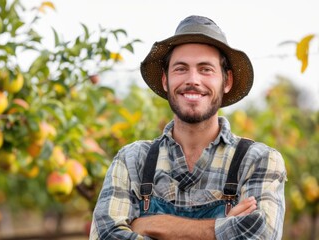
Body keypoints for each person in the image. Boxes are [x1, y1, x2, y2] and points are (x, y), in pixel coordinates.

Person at [89, 15, 286, 240]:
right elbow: (107, 234)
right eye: (181, 69)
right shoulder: (133, 160)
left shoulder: (257, 160)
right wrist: (223, 229)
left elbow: (259, 234)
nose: (193, 79)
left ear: (227, 81)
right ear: (166, 80)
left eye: (205, 69)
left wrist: (151, 224)